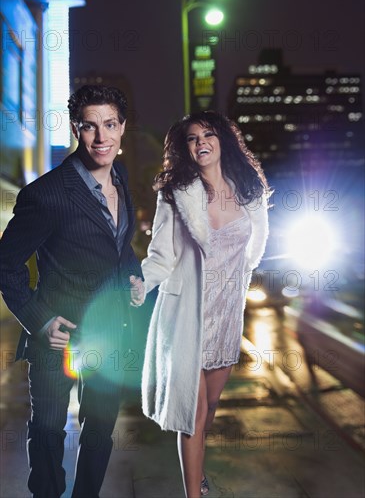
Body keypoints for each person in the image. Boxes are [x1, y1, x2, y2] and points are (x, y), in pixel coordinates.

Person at [0, 85, 144, 498]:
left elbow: (120, 248)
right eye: (90, 127)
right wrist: (39, 321)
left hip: (109, 333)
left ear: (122, 127)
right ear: (76, 130)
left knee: (99, 431)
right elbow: (5, 264)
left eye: (110, 125)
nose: (102, 138)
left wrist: (133, 277)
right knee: (47, 434)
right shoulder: (46, 195)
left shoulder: (120, 177)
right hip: (55, 336)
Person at [140, 111, 270, 498]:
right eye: (192, 138)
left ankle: (197, 474)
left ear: (222, 140)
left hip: (227, 314)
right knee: (193, 413)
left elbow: (253, 250)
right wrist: (136, 285)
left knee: (209, 407)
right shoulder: (176, 192)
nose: (200, 143)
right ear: (185, 147)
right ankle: (193, 493)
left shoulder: (249, 190)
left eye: (207, 135)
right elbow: (161, 254)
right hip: (186, 316)